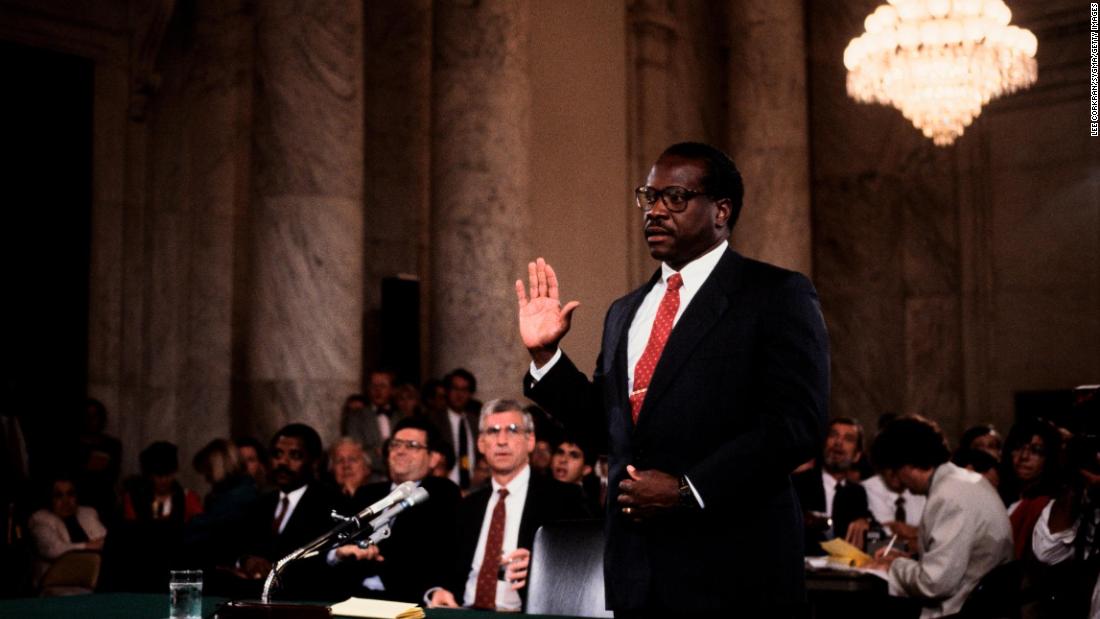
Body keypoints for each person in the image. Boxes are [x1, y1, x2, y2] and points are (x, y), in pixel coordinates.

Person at [516, 142, 830, 614]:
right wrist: (547, 356)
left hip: (735, 570)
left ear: (721, 210)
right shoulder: (625, 312)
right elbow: (609, 430)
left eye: (676, 198)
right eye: (649, 197)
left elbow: (795, 425)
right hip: (636, 573)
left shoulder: (775, 294)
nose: (656, 211)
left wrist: (689, 489)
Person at [426, 399, 588, 611]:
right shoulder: (467, 506)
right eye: (493, 431)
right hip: (464, 612)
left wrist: (543, 568)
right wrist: (436, 590)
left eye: (512, 430)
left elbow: (586, 568)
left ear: (530, 441)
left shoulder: (565, 499)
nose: (502, 440)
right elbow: (440, 567)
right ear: (481, 444)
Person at [867, 415, 1013, 618]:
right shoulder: (968, 481)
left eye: (894, 472)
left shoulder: (948, 496)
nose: (898, 482)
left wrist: (893, 565)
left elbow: (934, 584)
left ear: (906, 466)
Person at [327, 417, 461, 603]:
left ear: (433, 458)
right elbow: (335, 544)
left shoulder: (441, 493)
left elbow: (434, 555)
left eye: (412, 445)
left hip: (405, 598)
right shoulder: (366, 493)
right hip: (350, 596)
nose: (400, 451)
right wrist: (339, 553)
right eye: (395, 444)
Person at [227, 423, 334, 599]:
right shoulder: (261, 503)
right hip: (252, 598)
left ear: (315, 462)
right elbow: (236, 546)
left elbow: (323, 563)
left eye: (295, 455)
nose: (282, 462)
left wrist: (275, 568)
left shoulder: (328, 503)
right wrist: (246, 561)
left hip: (303, 602)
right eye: (277, 454)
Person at [792, 417, 871, 552]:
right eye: (833, 435)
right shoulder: (799, 483)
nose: (838, 442)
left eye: (848, 439)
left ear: (857, 455)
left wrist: (865, 522)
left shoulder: (857, 492)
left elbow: (869, 524)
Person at [998, 417, 1063, 560]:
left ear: (1049, 458)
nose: (1024, 456)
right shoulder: (1001, 497)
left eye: (1036, 451)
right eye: (1018, 447)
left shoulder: (1047, 505)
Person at [27, 474, 106, 588]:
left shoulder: (88, 513)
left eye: (70, 494)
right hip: (57, 585)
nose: (66, 501)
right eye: (58, 495)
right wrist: (87, 546)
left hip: (92, 580)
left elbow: (106, 541)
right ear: (50, 498)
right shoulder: (40, 519)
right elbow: (53, 549)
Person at [342, 371, 403, 482]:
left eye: (383, 386)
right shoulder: (356, 417)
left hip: (400, 479)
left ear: (392, 390)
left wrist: (378, 451)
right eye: (374, 386)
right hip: (370, 479)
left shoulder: (401, 416)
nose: (377, 390)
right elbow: (358, 452)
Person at [428, 369, 480, 491]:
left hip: (473, 488)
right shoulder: (434, 420)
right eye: (455, 389)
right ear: (447, 391)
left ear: (470, 394)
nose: (459, 394)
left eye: (464, 390)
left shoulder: (475, 421)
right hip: (443, 487)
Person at [327, 437, 373, 514]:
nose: (346, 466)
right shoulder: (324, 501)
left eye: (352, 459)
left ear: (367, 468)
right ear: (332, 469)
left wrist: (355, 495)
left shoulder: (381, 496)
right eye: (339, 460)